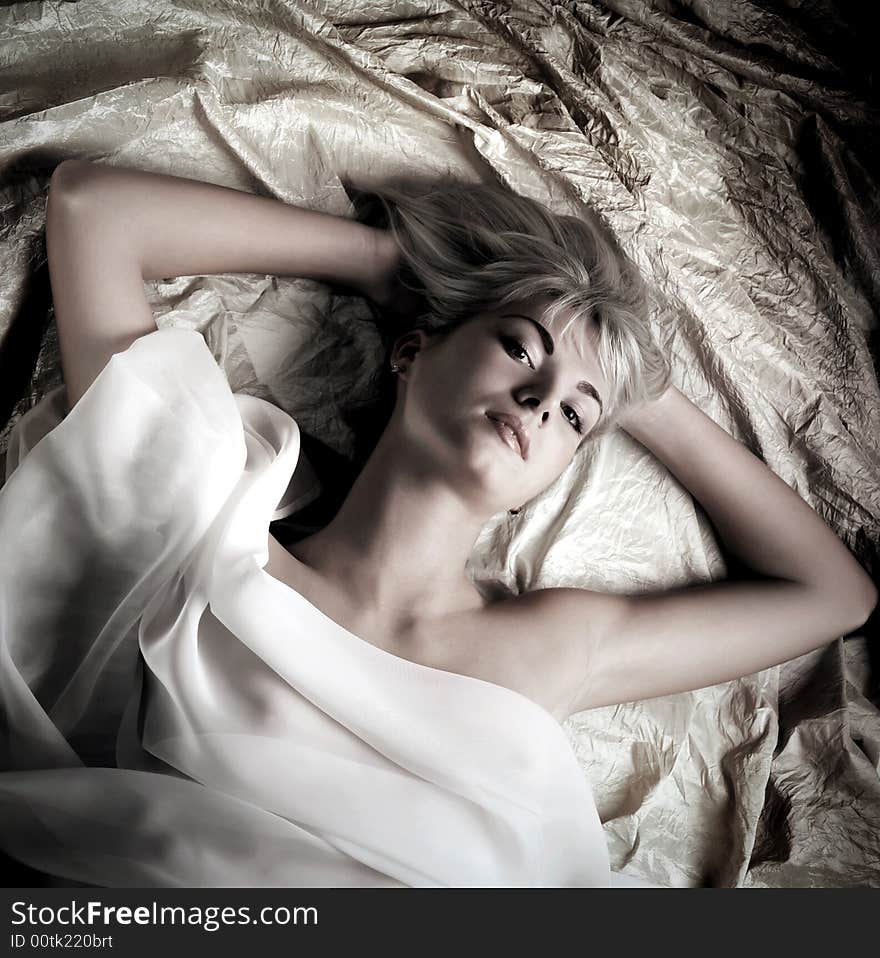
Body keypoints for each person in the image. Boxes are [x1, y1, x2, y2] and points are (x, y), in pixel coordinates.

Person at [0, 158, 874, 888]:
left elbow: (834, 593)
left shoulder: (555, 646)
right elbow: (92, 209)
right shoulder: (211, 524)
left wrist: (632, 383)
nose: (540, 401)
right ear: (413, 351)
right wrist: (388, 265)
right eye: (521, 348)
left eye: (575, 418)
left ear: (560, 474)